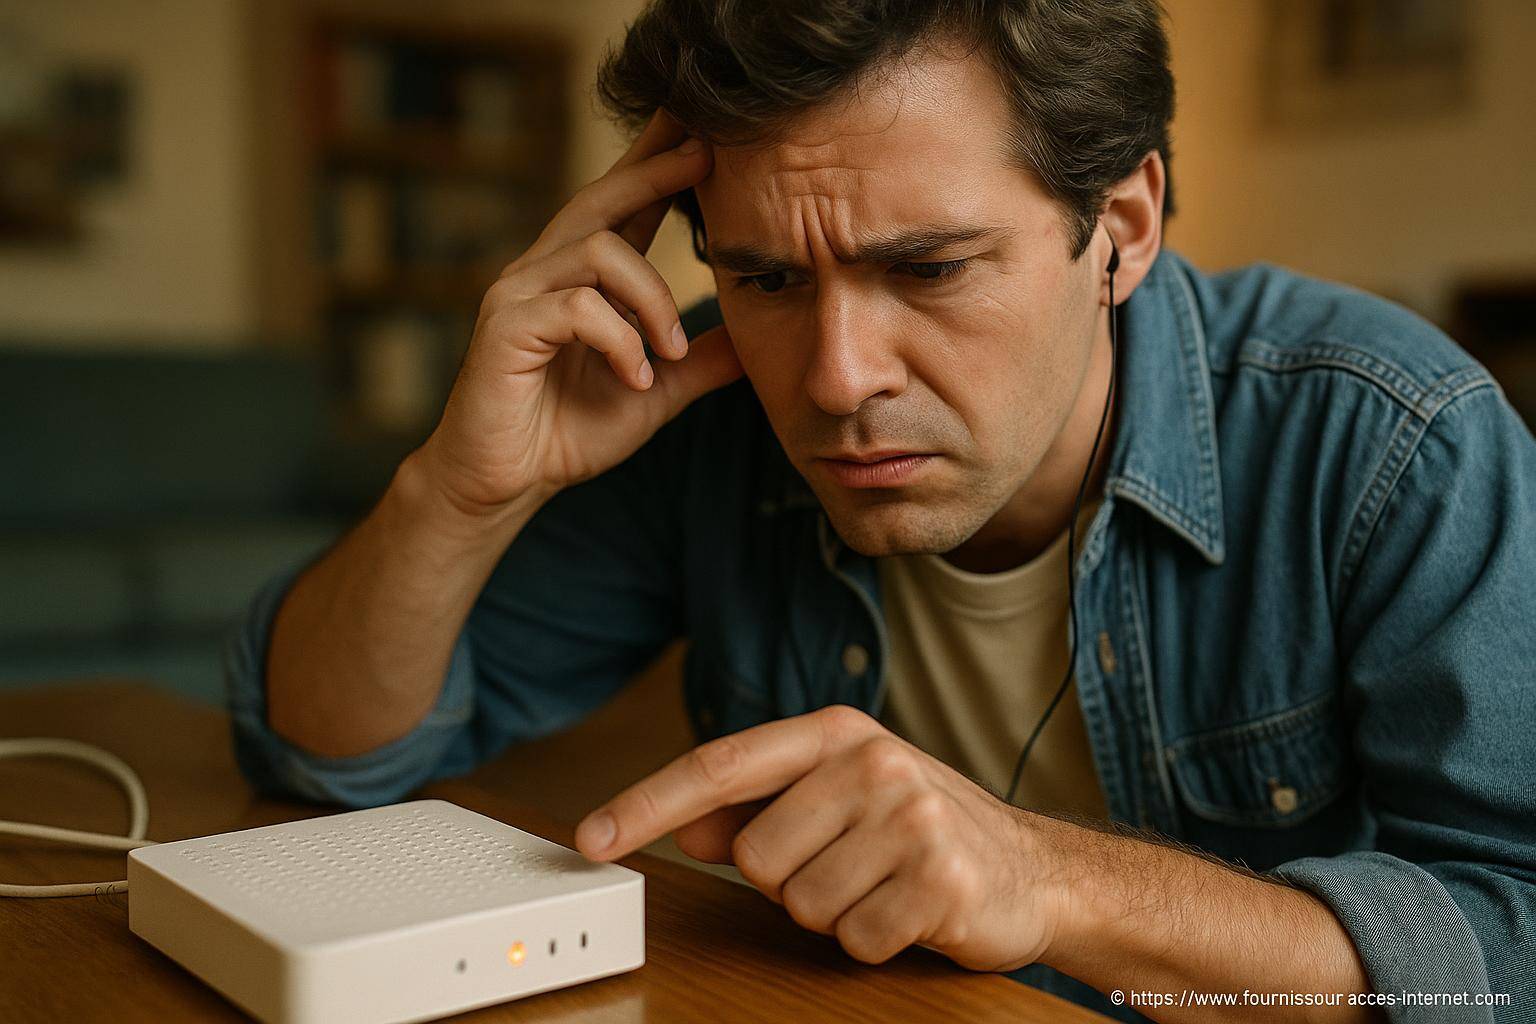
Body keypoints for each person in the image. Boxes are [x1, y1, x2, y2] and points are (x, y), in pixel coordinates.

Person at [227, 2, 1535, 1020]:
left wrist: (1050, 879)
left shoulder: (1388, 437)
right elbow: (326, 753)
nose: (838, 379)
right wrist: (463, 486)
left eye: (928, 267)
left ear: (1122, 225)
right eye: (765, 277)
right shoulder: (702, 408)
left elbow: (1507, 955)